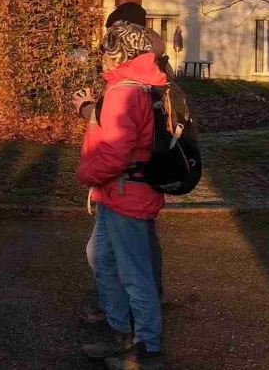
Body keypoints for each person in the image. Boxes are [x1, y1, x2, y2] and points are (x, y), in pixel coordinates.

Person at [74, 21, 167, 370]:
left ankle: (147, 346)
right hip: (125, 191)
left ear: (118, 53)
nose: (102, 58)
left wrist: (86, 173)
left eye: (106, 50)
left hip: (125, 193)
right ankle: (118, 329)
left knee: (133, 271)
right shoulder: (141, 86)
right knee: (101, 257)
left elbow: (116, 152)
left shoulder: (124, 92)